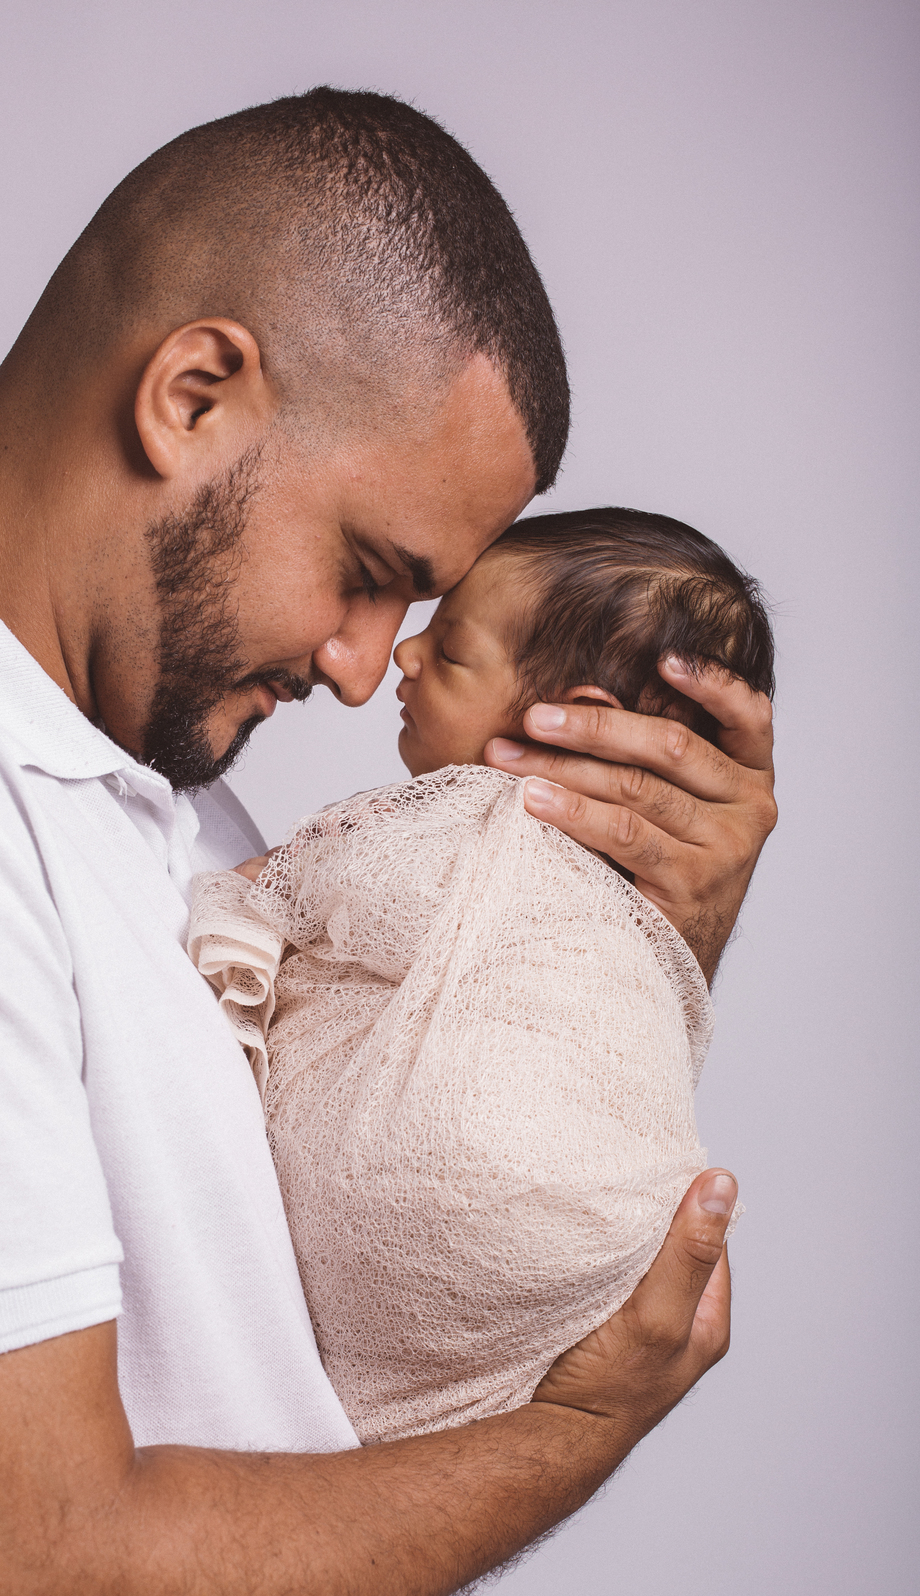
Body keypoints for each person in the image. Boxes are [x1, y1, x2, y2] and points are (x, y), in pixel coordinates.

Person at [0, 90, 775, 1596]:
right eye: (368, 571)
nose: (369, 672)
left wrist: (636, 951)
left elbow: (341, 1277)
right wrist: (573, 1435)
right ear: (192, 395)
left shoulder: (163, 793)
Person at [189, 508, 774, 1443]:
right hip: (604, 1229)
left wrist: (252, 895)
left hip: (432, 1181)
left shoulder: (471, 817)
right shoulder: (624, 909)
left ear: (576, 725)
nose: (402, 656)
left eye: (451, 651)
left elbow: (335, 885)